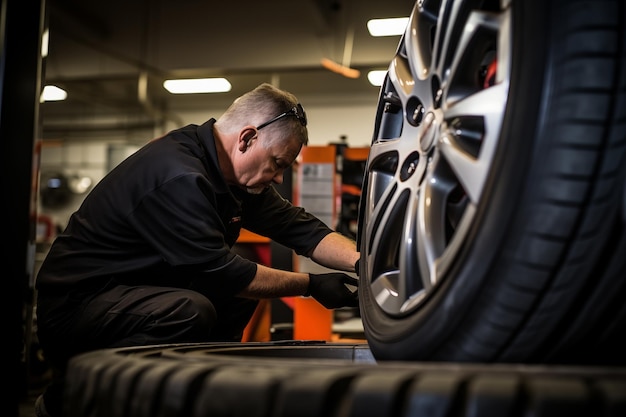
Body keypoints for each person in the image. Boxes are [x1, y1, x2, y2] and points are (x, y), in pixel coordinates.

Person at [34, 83, 360, 417]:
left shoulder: (230, 174)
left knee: (227, 297)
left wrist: (364, 263)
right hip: (78, 310)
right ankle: (69, 400)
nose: (278, 178)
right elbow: (226, 275)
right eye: (277, 163)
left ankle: (197, 398)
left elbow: (299, 228)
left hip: (135, 297)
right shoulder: (179, 175)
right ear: (248, 138)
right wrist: (310, 285)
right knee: (189, 310)